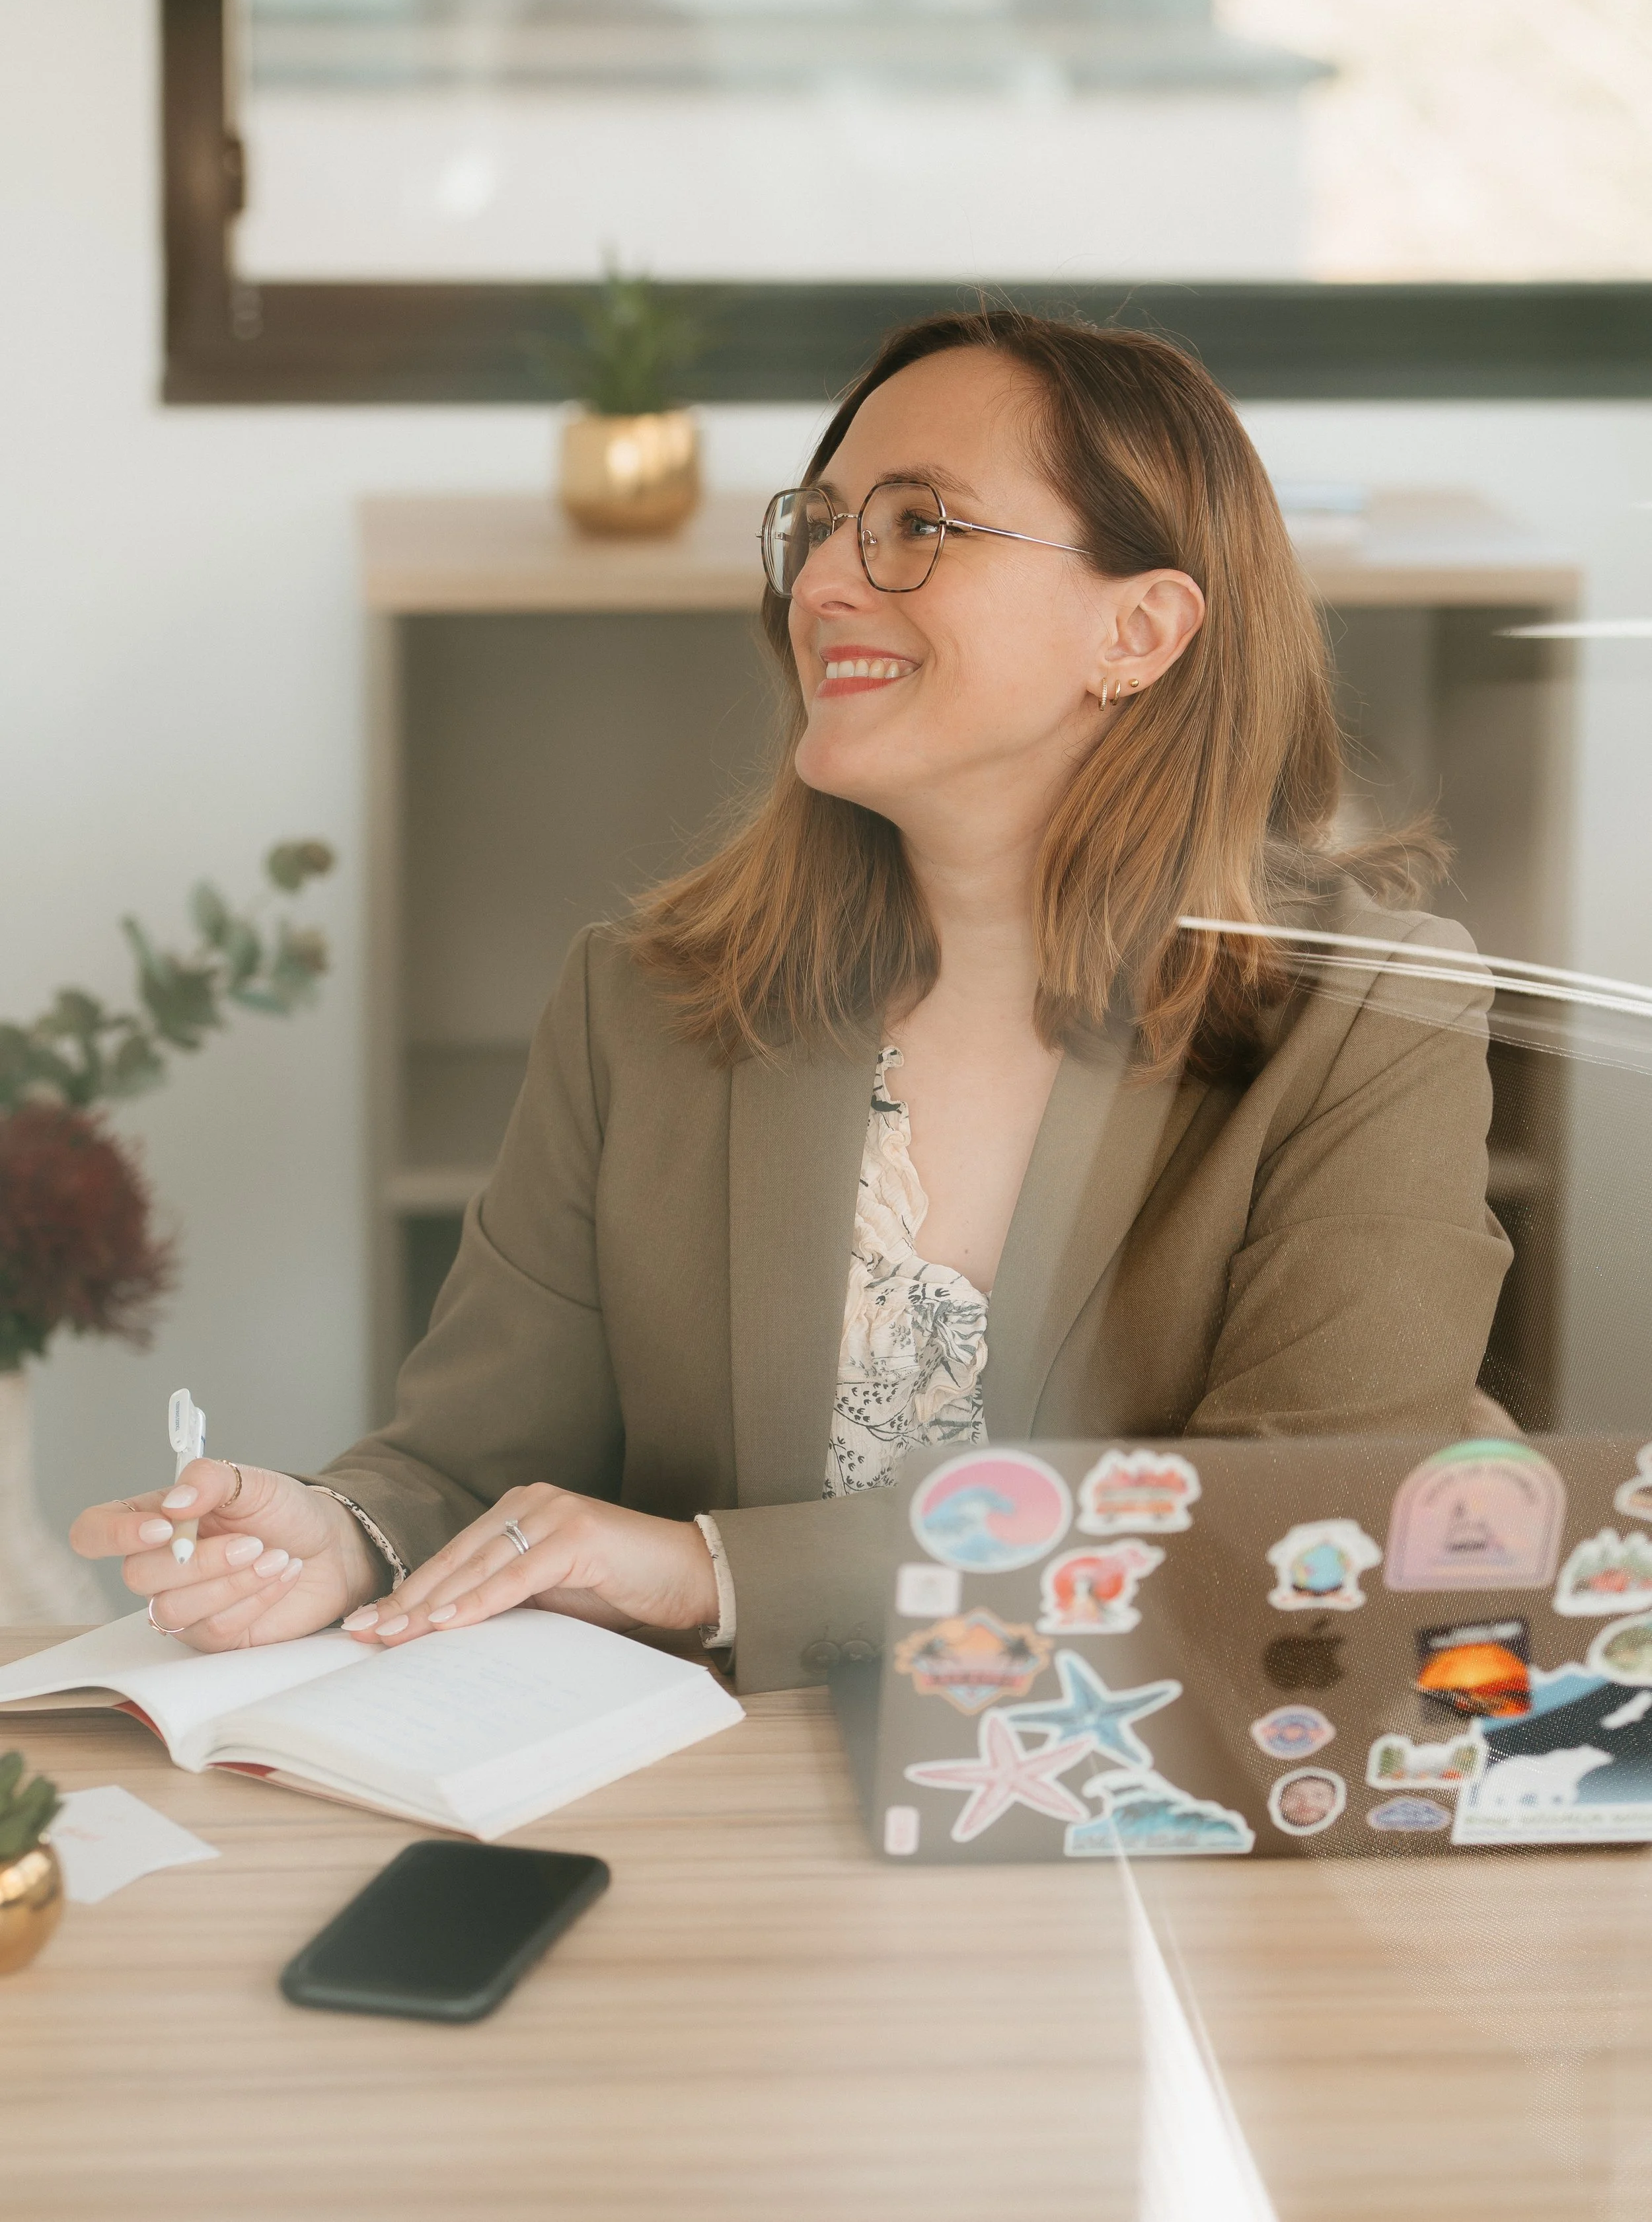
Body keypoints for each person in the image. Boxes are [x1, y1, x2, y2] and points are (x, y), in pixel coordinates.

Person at [72, 311, 1512, 1691]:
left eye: (914, 526)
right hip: (702, 1830)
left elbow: (1285, 1535)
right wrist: (342, 1534)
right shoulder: (635, 1006)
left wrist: (716, 1573)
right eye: (817, 526)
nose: (820, 584)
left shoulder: (1370, 1016)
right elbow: (466, 1457)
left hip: (1142, 1858)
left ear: (1136, 631)